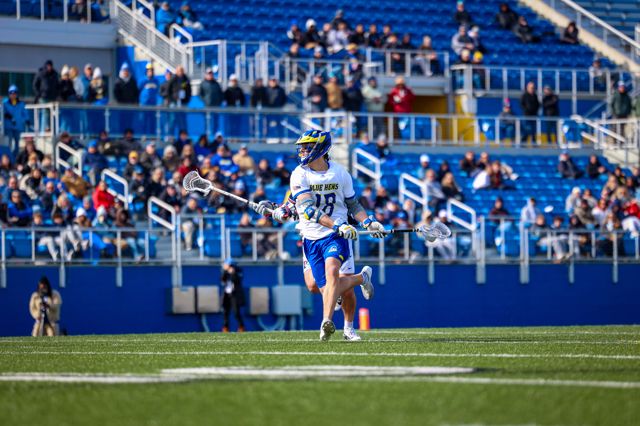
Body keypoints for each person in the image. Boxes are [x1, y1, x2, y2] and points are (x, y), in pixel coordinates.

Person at [252, 130, 382, 341]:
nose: (302, 151)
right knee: (315, 286)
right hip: (312, 236)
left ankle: (340, 326)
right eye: (302, 147)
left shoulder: (340, 173)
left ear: (320, 148)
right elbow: (305, 208)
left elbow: (353, 204)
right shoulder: (299, 174)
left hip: (336, 235)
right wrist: (276, 211)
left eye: (307, 147)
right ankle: (361, 278)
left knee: (334, 276)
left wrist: (368, 222)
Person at [3, 85, 30, 157]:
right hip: (8, 127)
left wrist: (27, 120)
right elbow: (3, 112)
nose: (13, 95)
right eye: (11, 93)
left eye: (15, 93)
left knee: (17, 143)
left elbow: (25, 113)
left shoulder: (21, 104)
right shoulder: (5, 103)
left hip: (18, 127)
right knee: (9, 143)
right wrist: (8, 116)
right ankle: (9, 157)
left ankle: (15, 157)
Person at [220, 258, 246, 332]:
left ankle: (241, 326)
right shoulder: (226, 272)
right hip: (227, 295)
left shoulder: (238, 272)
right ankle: (225, 327)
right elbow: (222, 280)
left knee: (236, 312)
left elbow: (236, 280)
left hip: (234, 295)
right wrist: (225, 271)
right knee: (225, 312)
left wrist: (232, 272)